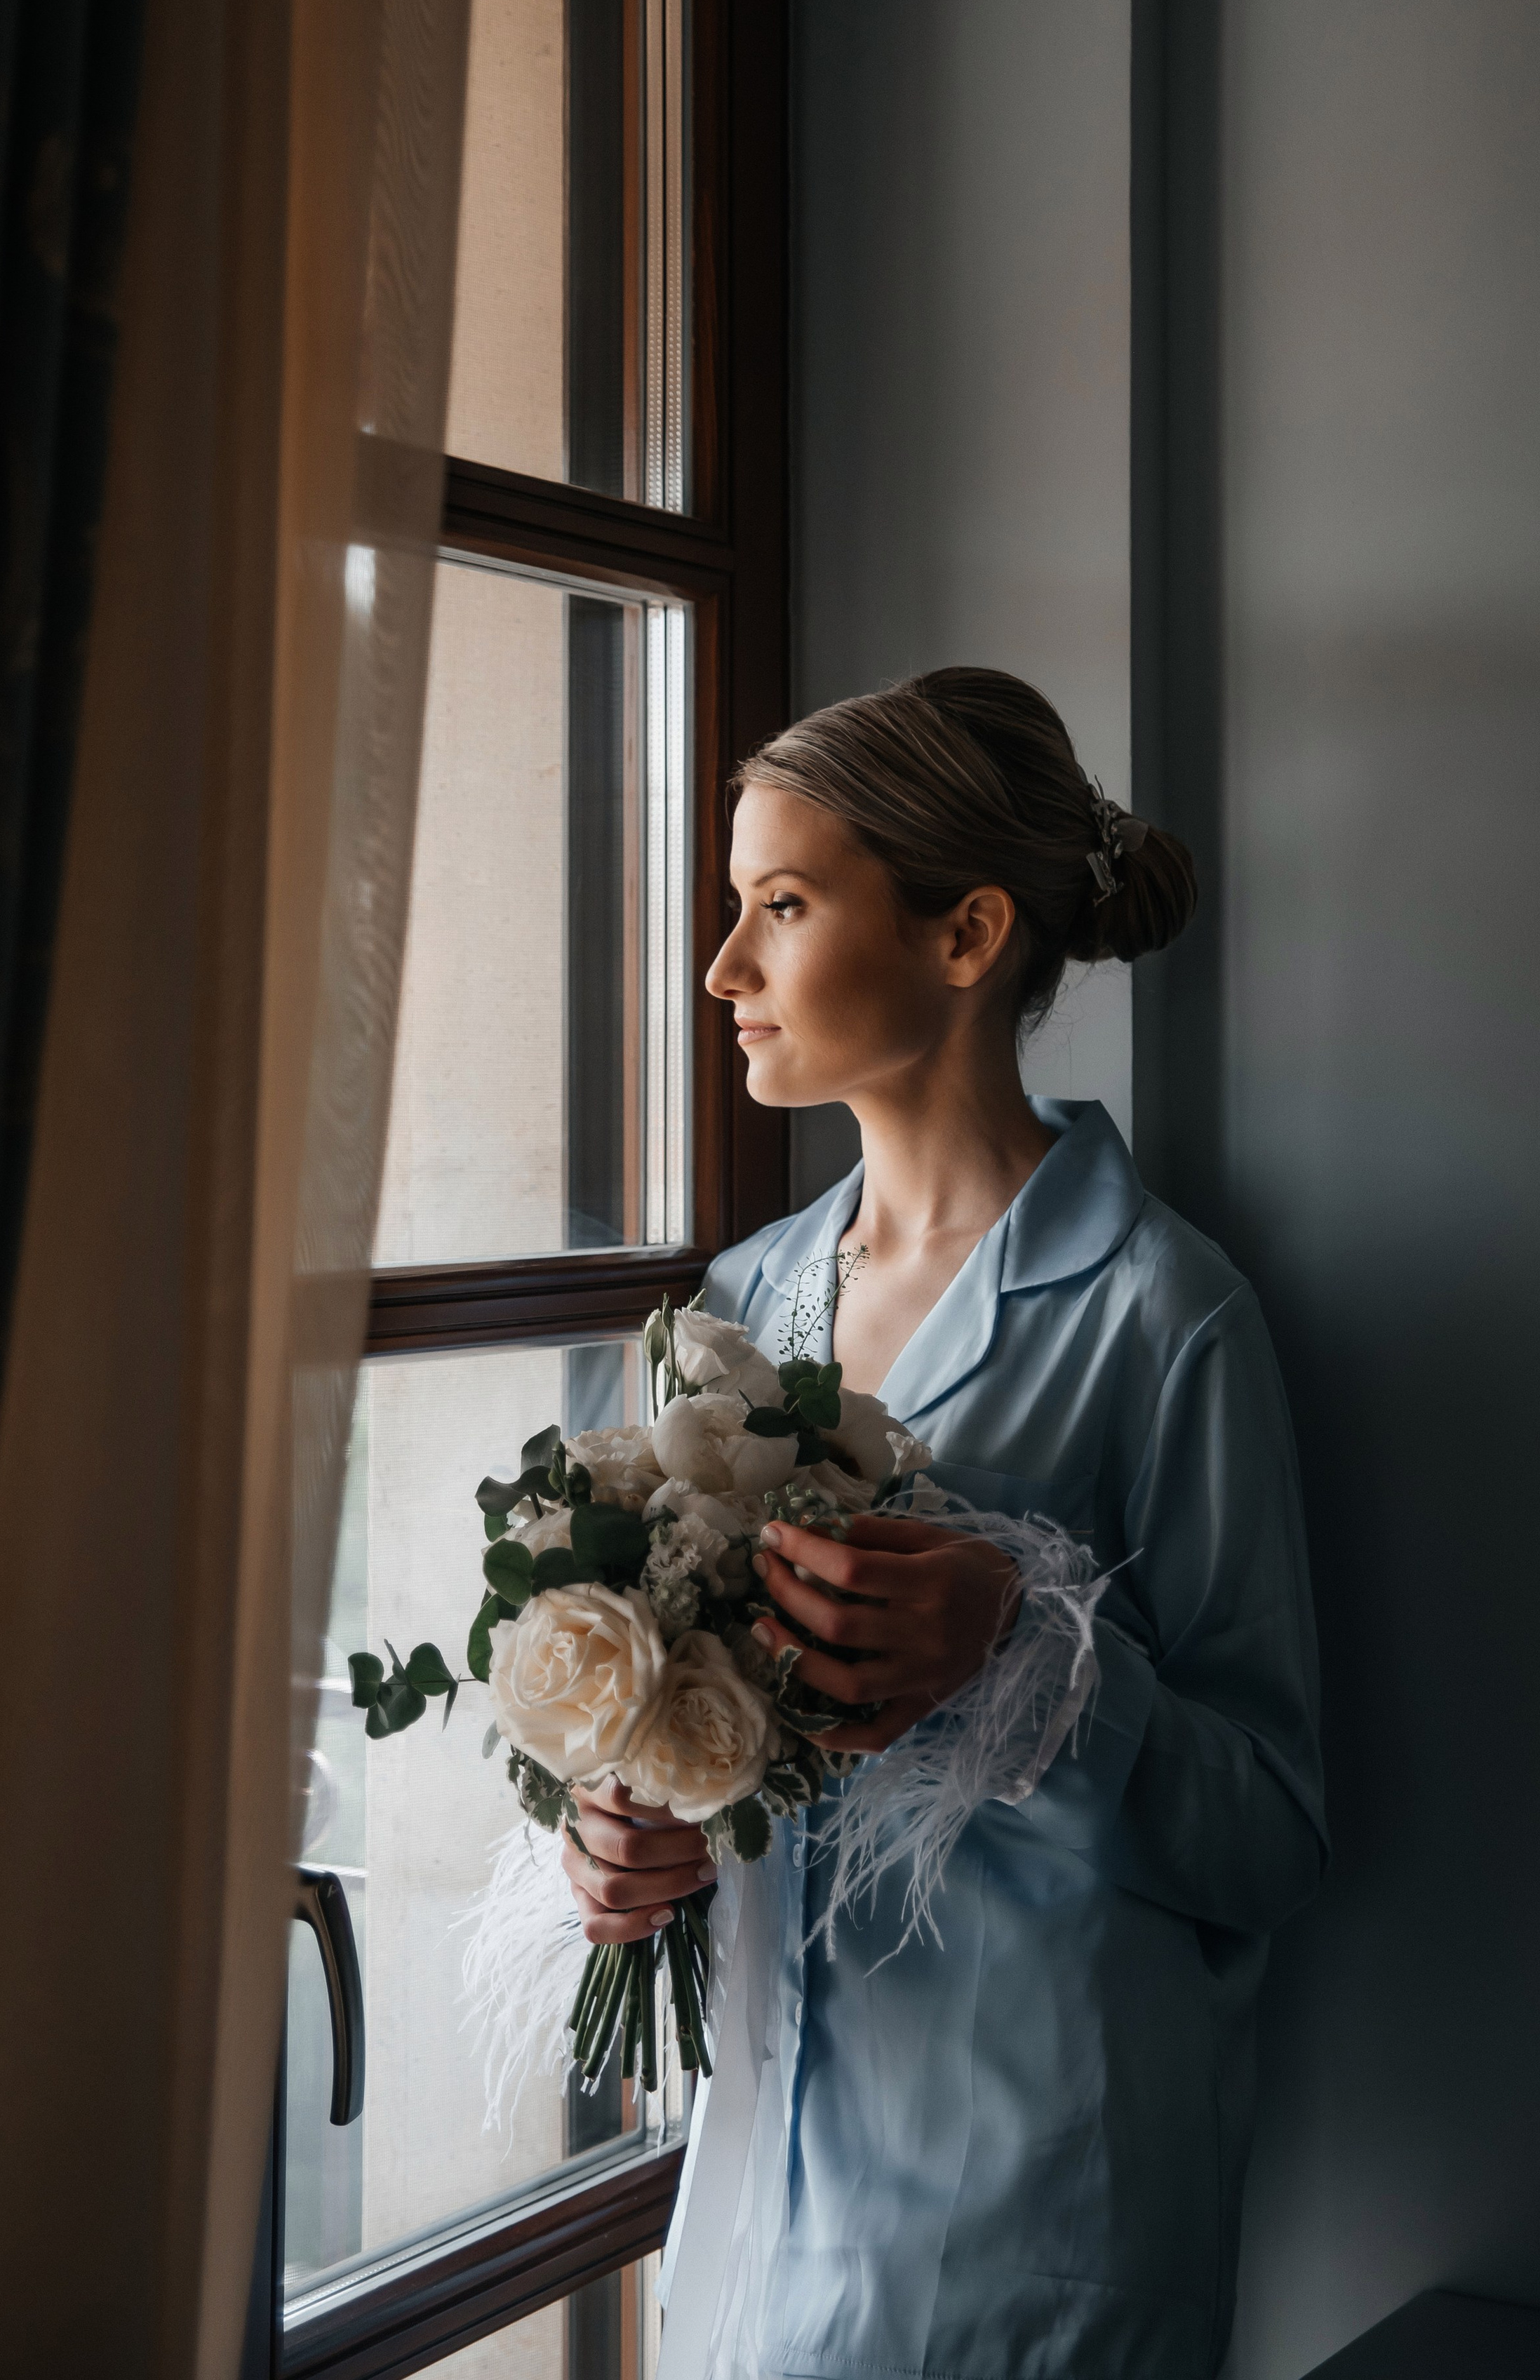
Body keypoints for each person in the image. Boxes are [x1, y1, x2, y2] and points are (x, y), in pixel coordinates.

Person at [558, 668, 1327, 2380]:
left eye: (780, 905)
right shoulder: (740, 1308)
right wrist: (624, 1832)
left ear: (964, 933)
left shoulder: (1160, 1315)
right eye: (730, 908)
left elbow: (1271, 1837)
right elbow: (719, 1757)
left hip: (1036, 2226)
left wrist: (1032, 1661)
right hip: (754, 2207)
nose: (721, 970)